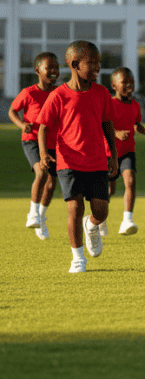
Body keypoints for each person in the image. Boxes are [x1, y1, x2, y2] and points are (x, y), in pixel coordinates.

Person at [36, 41, 118, 274]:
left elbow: (107, 124)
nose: (98, 68)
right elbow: (43, 127)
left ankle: (91, 228)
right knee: (75, 207)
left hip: (97, 161)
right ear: (74, 64)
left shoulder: (102, 93)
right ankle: (77, 258)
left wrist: (112, 155)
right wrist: (43, 153)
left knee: (101, 211)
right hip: (69, 162)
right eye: (92, 63)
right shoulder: (58, 95)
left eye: (99, 63)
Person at [9, 52, 61, 240]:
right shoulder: (28, 93)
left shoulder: (59, 92)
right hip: (31, 139)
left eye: (57, 67)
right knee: (41, 172)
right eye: (50, 67)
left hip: (53, 142)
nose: (55, 71)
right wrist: (23, 125)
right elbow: (12, 110)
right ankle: (32, 213)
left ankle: (41, 216)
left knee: (51, 183)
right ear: (37, 70)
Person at [104, 67, 145, 236]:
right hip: (109, 153)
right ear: (114, 85)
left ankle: (127, 220)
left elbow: (135, 124)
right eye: (124, 82)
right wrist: (117, 133)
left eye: (132, 82)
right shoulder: (110, 104)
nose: (129, 85)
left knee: (130, 181)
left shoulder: (135, 105)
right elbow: (102, 125)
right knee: (110, 190)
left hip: (128, 150)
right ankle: (100, 219)